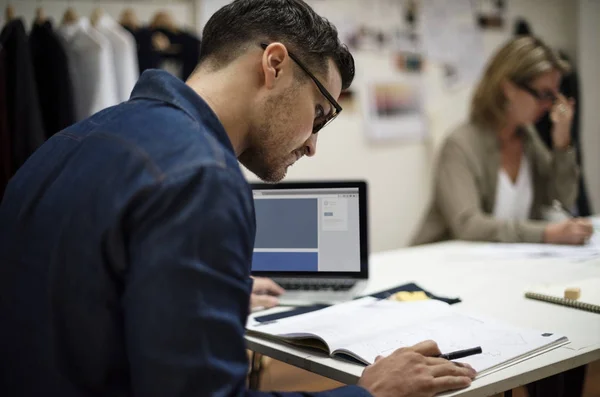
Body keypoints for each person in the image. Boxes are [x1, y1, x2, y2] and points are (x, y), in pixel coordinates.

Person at [0, 1, 476, 396]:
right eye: (319, 114)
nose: (313, 144)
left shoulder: (68, 143)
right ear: (274, 64)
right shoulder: (201, 176)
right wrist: (368, 391)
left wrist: (191, 291)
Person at [411, 36, 594, 247]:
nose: (549, 106)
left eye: (554, 96)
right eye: (543, 94)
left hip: (498, 267)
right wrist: (545, 233)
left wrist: (562, 144)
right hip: (441, 267)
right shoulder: (460, 144)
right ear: (508, 88)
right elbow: (468, 225)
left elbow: (562, 200)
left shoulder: (528, 139)